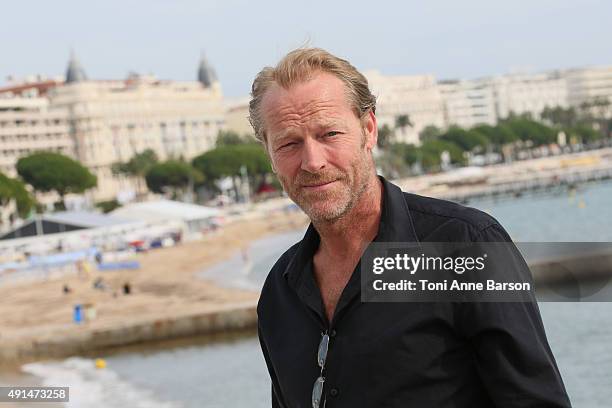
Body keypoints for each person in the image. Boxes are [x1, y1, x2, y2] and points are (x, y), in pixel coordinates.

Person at [250, 48, 571, 408]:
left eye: (329, 134)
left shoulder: (466, 246)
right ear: (269, 154)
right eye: (290, 143)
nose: (312, 162)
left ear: (369, 129)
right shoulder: (280, 292)